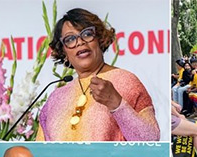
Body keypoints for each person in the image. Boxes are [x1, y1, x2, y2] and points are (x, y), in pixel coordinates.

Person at [37, 8, 159, 141]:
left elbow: (150, 141)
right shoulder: (56, 98)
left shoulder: (126, 81)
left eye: (87, 34)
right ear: (63, 52)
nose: (80, 42)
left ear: (100, 39)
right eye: (70, 39)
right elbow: (40, 154)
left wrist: (117, 104)